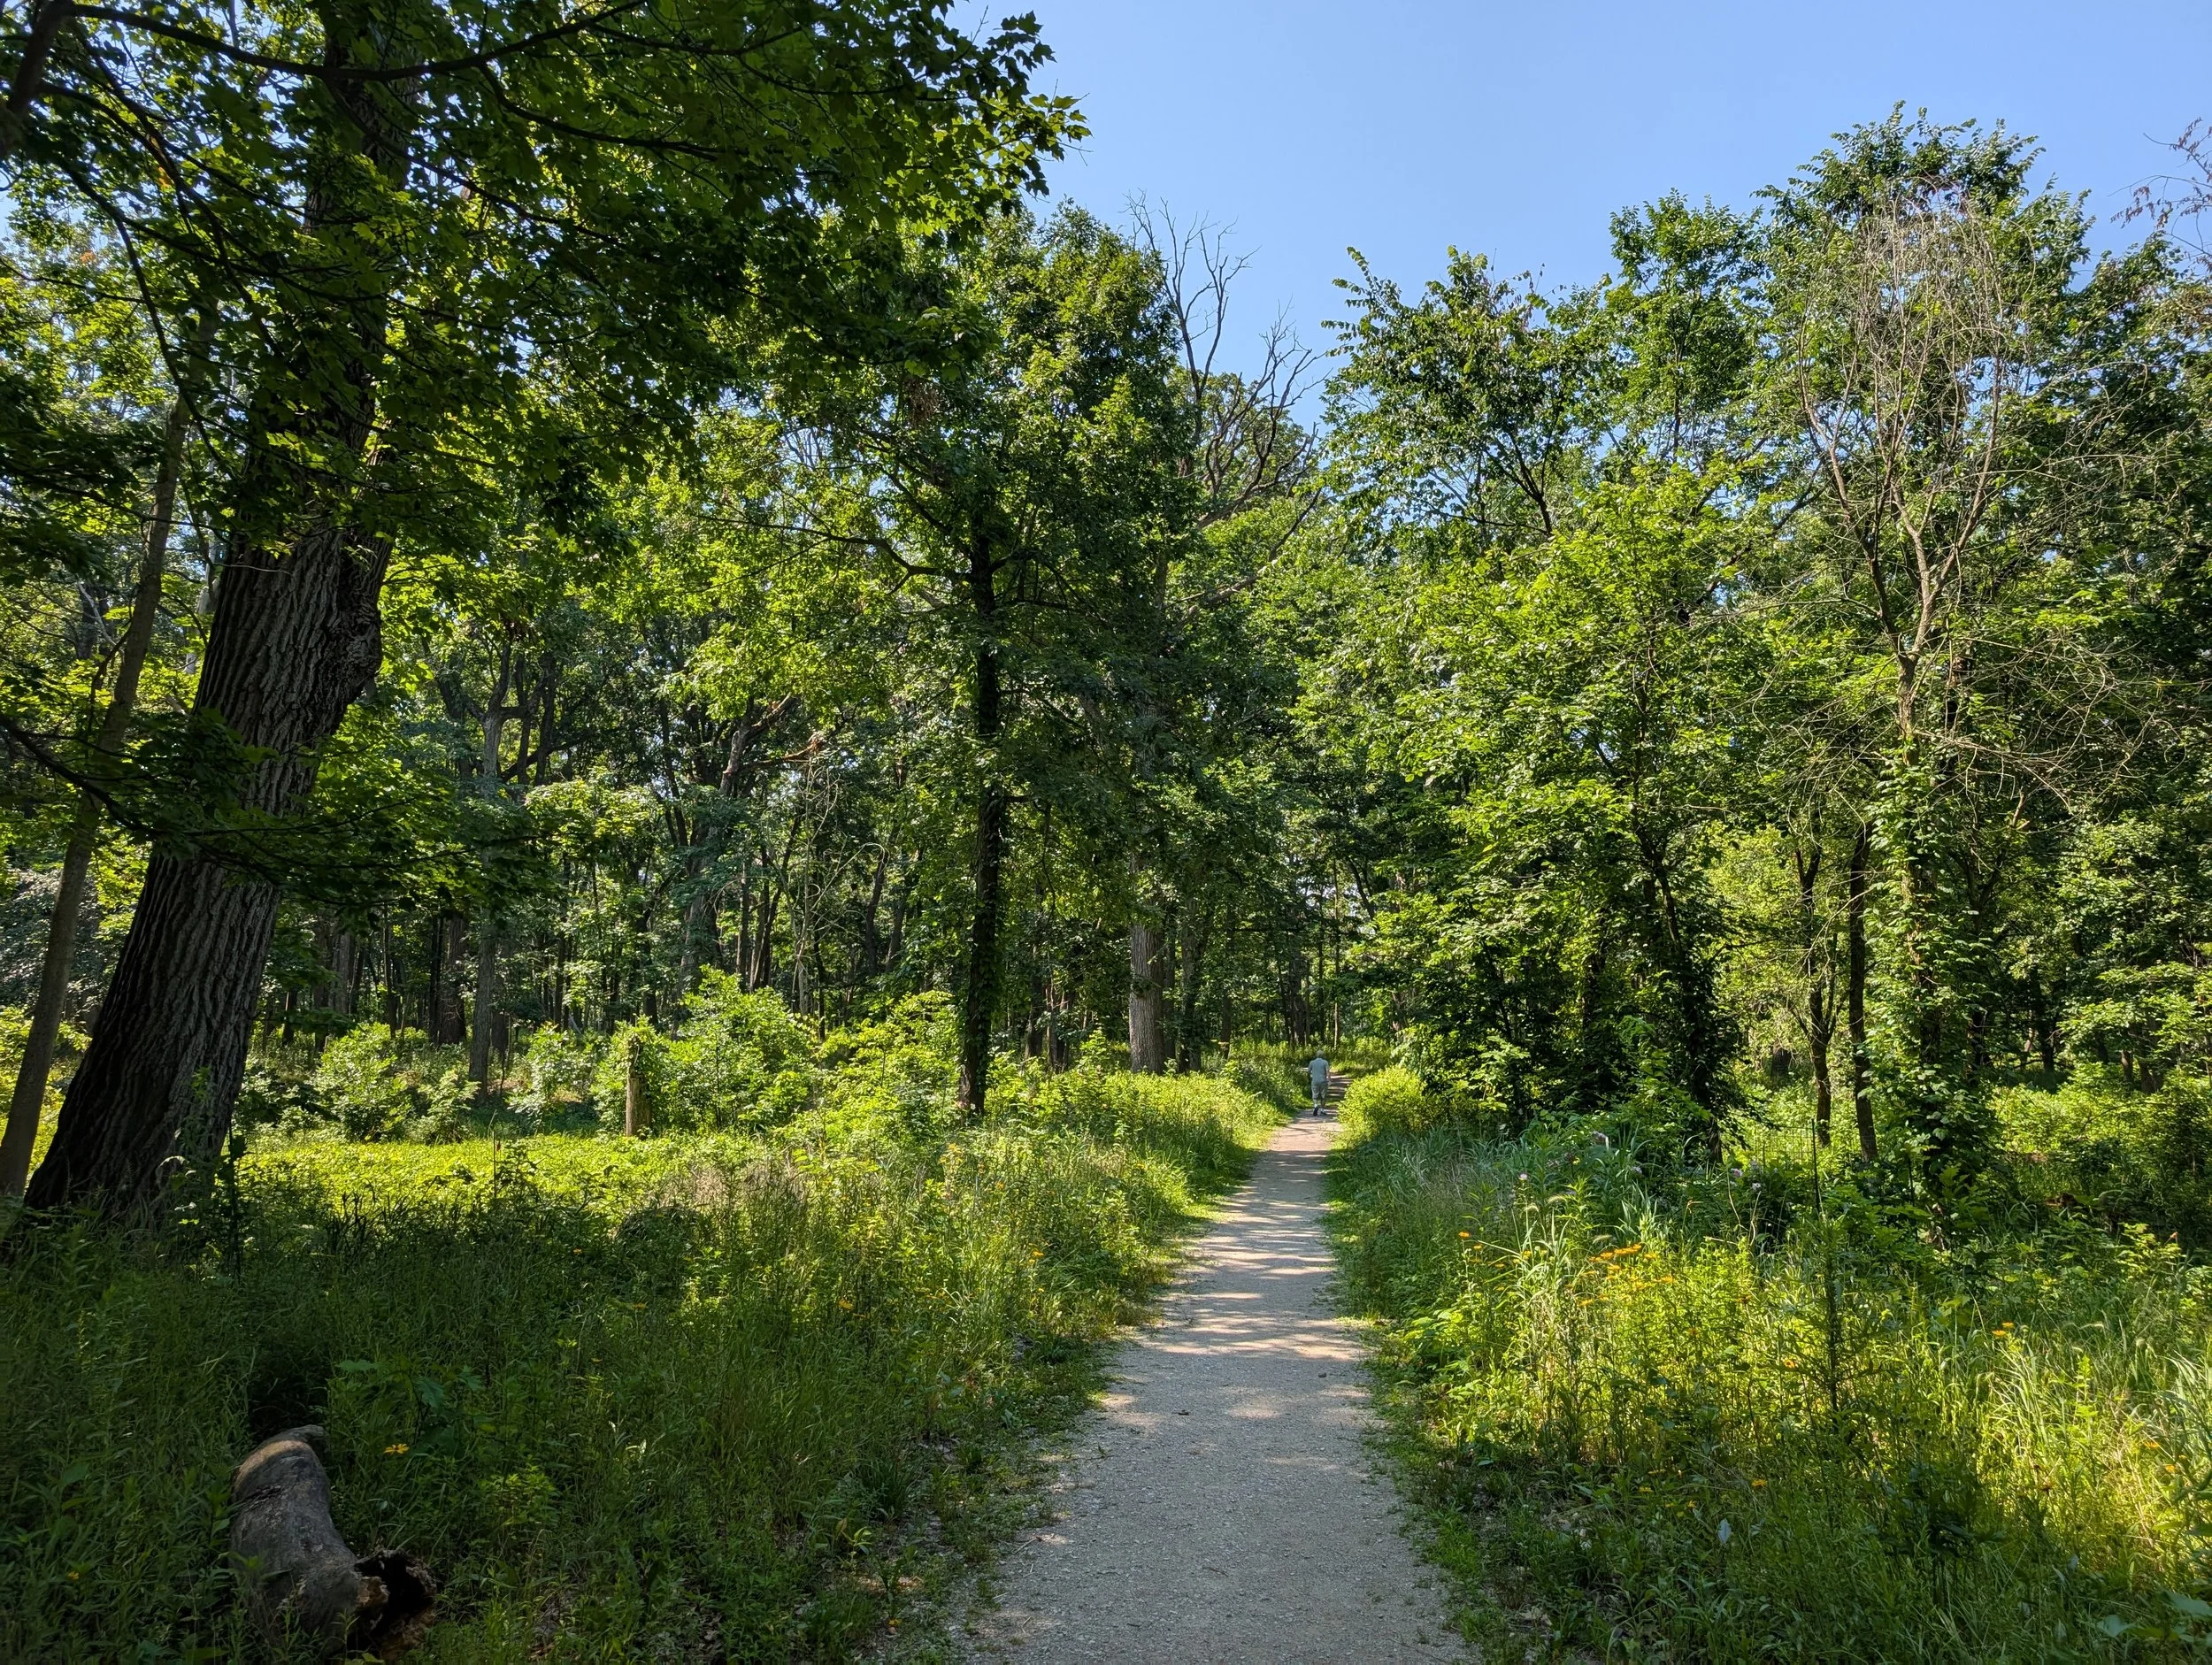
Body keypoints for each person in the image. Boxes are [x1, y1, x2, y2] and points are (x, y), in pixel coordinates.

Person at [1308, 1052, 1331, 1116]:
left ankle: (1315, 1106)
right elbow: (1328, 1072)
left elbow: (1308, 1072)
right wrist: (1329, 1080)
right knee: (1323, 1096)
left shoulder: (1312, 1062)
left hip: (1314, 1081)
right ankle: (1322, 1110)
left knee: (1315, 1095)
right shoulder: (1325, 1062)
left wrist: (1309, 1078)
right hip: (1323, 1081)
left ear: (1316, 1055)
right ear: (1323, 1056)